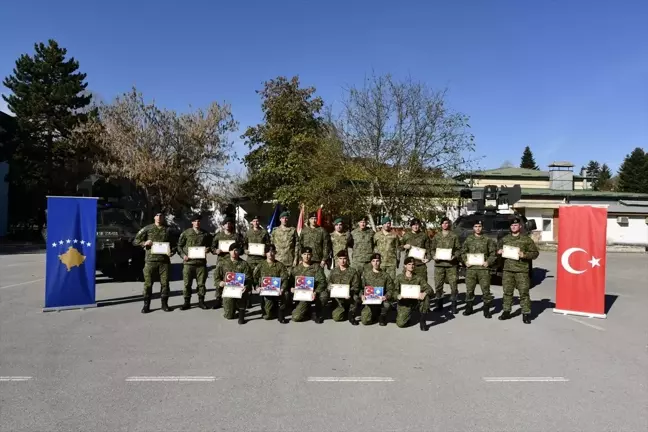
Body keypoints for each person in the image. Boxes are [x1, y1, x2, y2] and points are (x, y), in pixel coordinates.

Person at [497, 217, 539, 324]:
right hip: (508, 270)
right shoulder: (505, 239)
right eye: (512, 225)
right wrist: (499, 252)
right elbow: (497, 251)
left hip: (521, 270)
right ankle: (506, 311)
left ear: (519, 226)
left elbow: (535, 253)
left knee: (524, 292)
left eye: (516, 225)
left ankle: (526, 313)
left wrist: (524, 255)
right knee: (507, 292)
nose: (514, 227)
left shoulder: (526, 240)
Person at [134, 209, 176, 313]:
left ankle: (164, 304)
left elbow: (175, 244)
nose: (159, 217)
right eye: (157, 215)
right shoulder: (148, 229)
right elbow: (135, 241)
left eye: (161, 215)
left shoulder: (168, 230)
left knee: (165, 284)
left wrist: (172, 252)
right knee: (148, 284)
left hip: (164, 262)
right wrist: (144, 243)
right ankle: (146, 305)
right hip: (150, 261)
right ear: (154, 217)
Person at [460, 219, 497, 318]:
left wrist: (488, 262)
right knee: (470, 290)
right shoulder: (469, 239)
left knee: (486, 290)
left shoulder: (487, 239)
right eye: (476, 226)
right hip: (471, 269)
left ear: (482, 227)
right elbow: (463, 252)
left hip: (483, 270)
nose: (478, 228)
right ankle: (469, 307)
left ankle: (486, 309)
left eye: (479, 226)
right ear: (473, 228)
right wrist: (465, 261)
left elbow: (493, 253)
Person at [177, 213, 212, 311]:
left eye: (198, 221)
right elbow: (179, 246)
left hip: (201, 264)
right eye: (195, 221)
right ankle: (186, 302)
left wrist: (208, 249)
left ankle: (201, 301)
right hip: (189, 263)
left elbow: (211, 245)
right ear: (192, 222)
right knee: (187, 284)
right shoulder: (186, 233)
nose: (197, 223)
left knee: (201, 284)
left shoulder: (205, 234)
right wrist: (183, 256)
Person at [213, 242, 254, 324]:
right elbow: (216, 277)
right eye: (233, 250)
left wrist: (246, 286)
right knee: (229, 316)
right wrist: (220, 283)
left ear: (239, 252)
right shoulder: (222, 263)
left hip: (240, 290)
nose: (235, 252)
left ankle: (240, 308)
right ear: (229, 251)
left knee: (244, 295)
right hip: (228, 290)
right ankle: (231, 307)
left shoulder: (244, 264)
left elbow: (249, 278)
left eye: (237, 250)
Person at [253, 244, 291, 323]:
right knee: (267, 316)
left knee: (286, 293)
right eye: (268, 252)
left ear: (275, 252)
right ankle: (270, 307)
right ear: (265, 253)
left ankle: (281, 311)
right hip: (266, 291)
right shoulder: (261, 265)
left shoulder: (280, 265)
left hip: (278, 291)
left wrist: (282, 288)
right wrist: (257, 287)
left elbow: (285, 279)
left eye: (272, 251)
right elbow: (254, 277)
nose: (270, 254)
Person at [430, 217, 461, 314]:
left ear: (449, 225)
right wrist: (434, 256)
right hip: (439, 265)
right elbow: (432, 249)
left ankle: (453, 305)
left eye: (447, 223)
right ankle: (439, 304)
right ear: (441, 225)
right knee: (438, 285)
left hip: (451, 265)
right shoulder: (437, 236)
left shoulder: (454, 236)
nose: (445, 225)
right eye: (443, 223)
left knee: (453, 285)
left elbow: (458, 249)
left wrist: (454, 256)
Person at [291, 246, 329, 323]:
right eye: (304, 254)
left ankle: (317, 313)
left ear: (311, 255)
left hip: (313, 293)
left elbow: (322, 282)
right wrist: (291, 288)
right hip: (302, 295)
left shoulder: (316, 267)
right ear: (301, 255)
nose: (306, 256)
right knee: (296, 317)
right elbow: (291, 282)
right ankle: (306, 310)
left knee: (324, 295)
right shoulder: (296, 269)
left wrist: (316, 292)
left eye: (308, 254)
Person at [211, 217, 242, 309]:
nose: (228, 225)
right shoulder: (218, 236)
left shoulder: (236, 236)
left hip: (233, 261)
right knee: (220, 279)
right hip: (221, 261)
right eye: (226, 223)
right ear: (223, 225)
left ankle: (234, 298)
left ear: (231, 225)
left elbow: (242, 248)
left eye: (229, 223)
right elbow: (212, 247)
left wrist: (239, 251)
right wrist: (215, 251)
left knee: (234, 279)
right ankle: (218, 299)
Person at [394, 257, 432, 331]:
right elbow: (393, 290)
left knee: (426, 297)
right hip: (405, 302)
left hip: (416, 302)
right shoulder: (399, 277)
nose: (411, 266)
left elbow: (430, 289)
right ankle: (407, 316)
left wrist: (424, 293)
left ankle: (423, 321)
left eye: (413, 264)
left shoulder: (418, 278)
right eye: (409, 264)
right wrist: (398, 296)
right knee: (401, 324)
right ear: (405, 265)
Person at [327, 250, 362, 325]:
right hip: (338, 299)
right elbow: (328, 282)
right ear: (338, 260)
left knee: (356, 297)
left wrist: (349, 293)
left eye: (344, 258)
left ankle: (351, 313)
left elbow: (356, 286)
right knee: (336, 317)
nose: (342, 261)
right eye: (340, 258)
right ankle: (342, 309)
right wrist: (329, 287)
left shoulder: (352, 271)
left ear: (347, 259)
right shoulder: (333, 271)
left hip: (348, 297)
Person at [360, 253, 396, 326]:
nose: (376, 263)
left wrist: (386, 296)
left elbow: (391, 289)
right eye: (373, 261)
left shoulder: (386, 275)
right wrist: (362, 295)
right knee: (365, 321)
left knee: (387, 305)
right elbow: (361, 288)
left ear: (380, 262)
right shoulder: (366, 275)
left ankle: (382, 315)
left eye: (377, 261)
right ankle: (374, 314)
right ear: (371, 262)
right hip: (370, 301)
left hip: (381, 301)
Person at [373, 217, 400, 281]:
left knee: (391, 280)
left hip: (391, 263)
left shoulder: (394, 236)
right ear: (382, 224)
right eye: (385, 223)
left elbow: (397, 248)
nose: (387, 225)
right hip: (380, 262)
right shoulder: (377, 235)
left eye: (388, 223)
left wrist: (398, 260)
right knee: (379, 280)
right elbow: (373, 247)